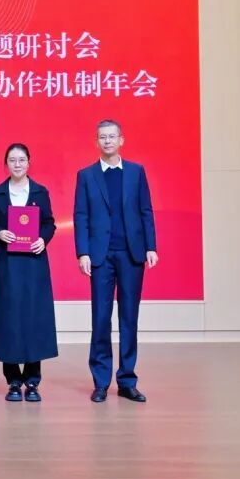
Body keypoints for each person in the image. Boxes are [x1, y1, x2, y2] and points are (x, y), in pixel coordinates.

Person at [73, 119, 158, 403]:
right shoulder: (86, 175)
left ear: (122, 140)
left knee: (129, 318)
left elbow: (145, 210)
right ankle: (100, 382)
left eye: (112, 136)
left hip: (132, 254)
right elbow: (80, 215)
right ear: (96, 142)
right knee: (100, 318)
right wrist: (83, 252)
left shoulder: (136, 172)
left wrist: (151, 246)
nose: (107, 141)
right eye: (102, 137)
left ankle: (127, 380)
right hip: (100, 256)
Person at [0, 143, 58, 402]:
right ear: (6, 164)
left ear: (29, 163)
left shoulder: (40, 192)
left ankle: (33, 381)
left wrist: (43, 239)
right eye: (12, 160)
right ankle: (13, 381)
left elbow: (49, 223)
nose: (17, 164)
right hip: (7, 263)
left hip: (34, 263)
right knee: (9, 319)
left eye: (21, 159)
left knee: (34, 318)